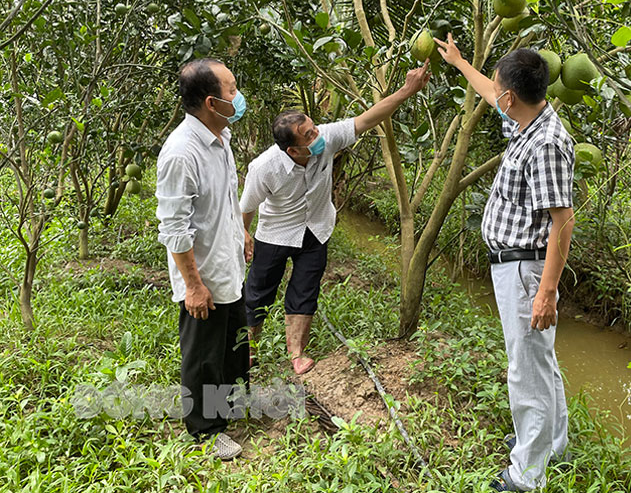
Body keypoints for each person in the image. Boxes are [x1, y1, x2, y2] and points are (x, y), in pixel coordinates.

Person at [434, 35, 575, 491]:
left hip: (526, 269)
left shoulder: (547, 143)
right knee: (540, 362)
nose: (496, 95)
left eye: (501, 90)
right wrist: (458, 63)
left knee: (526, 370)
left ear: (514, 96)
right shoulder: (526, 121)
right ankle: (555, 446)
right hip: (516, 265)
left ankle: (525, 475)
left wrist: (546, 292)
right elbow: (489, 91)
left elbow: (562, 222)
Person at [240, 62, 431, 375]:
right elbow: (246, 207)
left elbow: (370, 117)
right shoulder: (265, 168)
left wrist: (407, 91)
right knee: (258, 291)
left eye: (314, 128)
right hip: (275, 234)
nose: (317, 135)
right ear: (292, 149)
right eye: (308, 135)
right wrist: (244, 235)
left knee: (305, 290)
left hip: (316, 230)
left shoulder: (326, 138)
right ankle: (248, 349)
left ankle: (297, 354)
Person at [155, 58, 251, 460]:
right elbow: (174, 228)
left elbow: (225, 199)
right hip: (205, 275)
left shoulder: (221, 138)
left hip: (228, 264)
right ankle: (206, 430)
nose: (238, 96)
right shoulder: (181, 152)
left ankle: (225, 409)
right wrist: (193, 285)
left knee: (230, 346)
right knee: (203, 355)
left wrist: (243, 232)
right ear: (212, 102)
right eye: (231, 90)